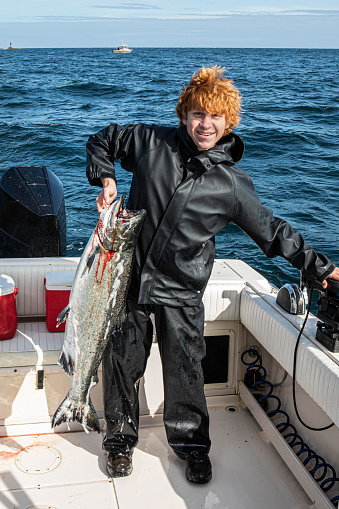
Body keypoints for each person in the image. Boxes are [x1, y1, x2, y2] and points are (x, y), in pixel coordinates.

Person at [86, 66, 339, 484]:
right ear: (184, 114)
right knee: (122, 364)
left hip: (182, 290)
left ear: (228, 122)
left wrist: (323, 267)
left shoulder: (232, 184)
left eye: (216, 117)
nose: (206, 124)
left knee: (186, 373)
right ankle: (118, 441)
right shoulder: (151, 142)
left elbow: (273, 232)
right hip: (128, 282)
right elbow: (103, 139)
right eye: (198, 113)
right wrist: (108, 175)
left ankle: (191, 447)